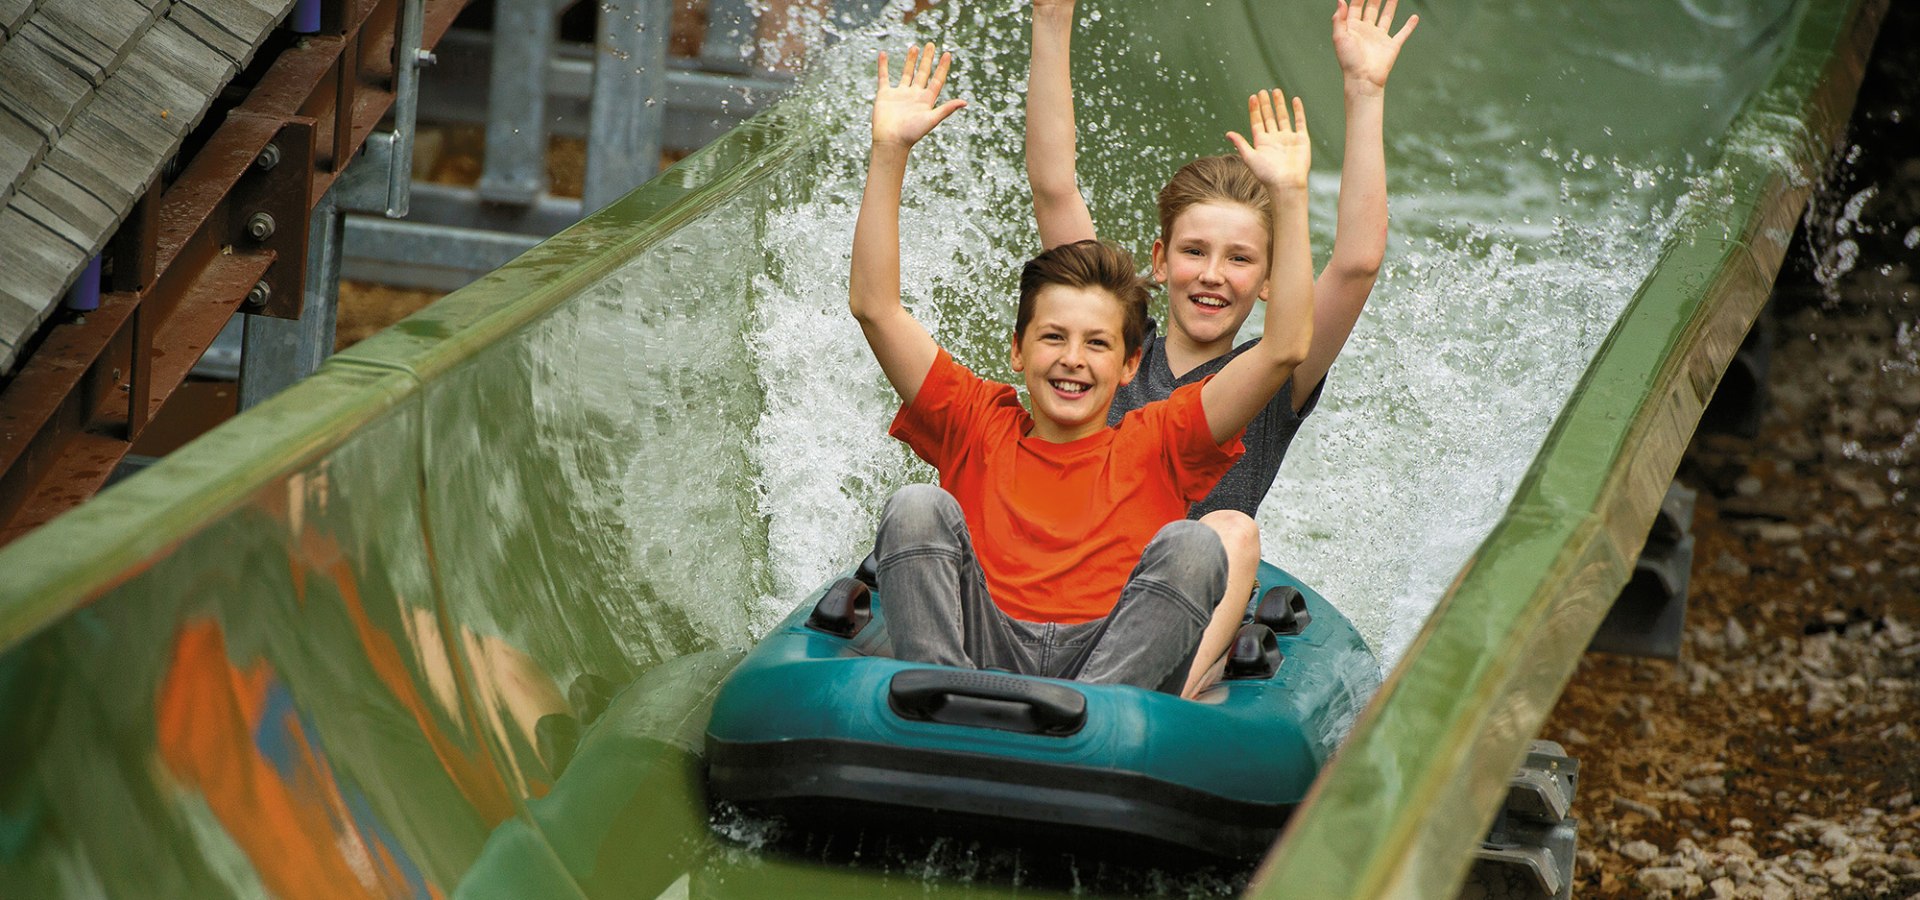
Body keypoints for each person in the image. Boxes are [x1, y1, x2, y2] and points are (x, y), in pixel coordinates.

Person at [852, 43, 1315, 692]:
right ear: (1017, 351)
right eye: (1052, 338)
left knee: (1197, 544)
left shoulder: (1159, 441)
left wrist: (1290, 198)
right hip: (976, 652)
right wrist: (890, 152)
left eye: (1097, 344)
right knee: (917, 505)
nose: (1072, 359)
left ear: (1130, 364)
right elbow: (875, 308)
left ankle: (1099, 721)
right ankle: (939, 698)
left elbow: (1285, 349)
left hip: (1104, 674)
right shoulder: (974, 418)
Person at [1025, 0, 1417, 696]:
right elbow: (1055, 187)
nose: (1212, 274)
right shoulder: (1109, 348)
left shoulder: (1272, 373)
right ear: (1160, 258)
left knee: (1230, 529)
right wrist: (1052, 23)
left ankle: (1159, 707)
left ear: (1270, 282)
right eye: (1194, 251)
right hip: (1076, 596)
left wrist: (1365, 92)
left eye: (1239, 260)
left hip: (1184, 637)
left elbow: (1355, 263)